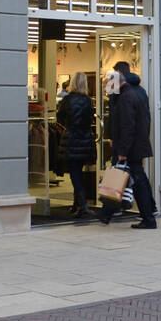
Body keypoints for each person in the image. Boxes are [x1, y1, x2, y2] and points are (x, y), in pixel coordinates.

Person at [100, 60, 157, 229]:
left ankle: (147, 218)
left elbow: (127, 127)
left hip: (130, 148)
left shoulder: (125, 98)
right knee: (129, 179)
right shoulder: (133, 94)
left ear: (116, 82)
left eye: (109, 85)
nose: (108, 89)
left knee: (133, 180)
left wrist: (122, 151)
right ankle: (107, 213)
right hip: (135, 146)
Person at [55, 72, 96, 217]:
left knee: (74, 173)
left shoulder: (67, 100)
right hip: (85, 138)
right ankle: (76, 204)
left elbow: (60, 117)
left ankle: (82, 205)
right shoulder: (88, 100)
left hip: (71, 138)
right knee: (79, 171)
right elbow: (91, 118)